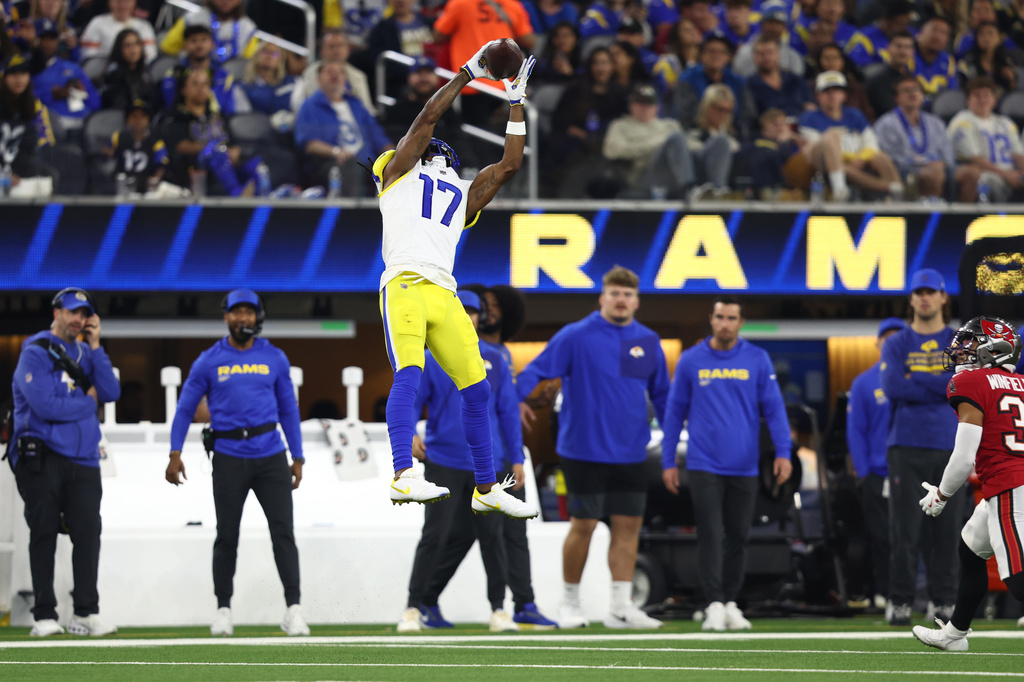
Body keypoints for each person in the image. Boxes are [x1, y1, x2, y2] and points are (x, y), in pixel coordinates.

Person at [373, 40, 538, 520]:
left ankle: (485, 486)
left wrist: (516, 102)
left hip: (445, 291)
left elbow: (510, 165)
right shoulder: (398, 173)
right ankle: (403, 474)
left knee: (478, 387)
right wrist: (467, 73)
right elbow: (427, 118)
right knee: (409, 373)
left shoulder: (460, 192)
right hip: (404, 282)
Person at [516, 265, 669, 630]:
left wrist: (676, 440)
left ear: (637, 301)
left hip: (632, 453)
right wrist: (517, 399)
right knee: (582, 525)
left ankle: (620, 608)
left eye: (628, 294)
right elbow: (535, 370)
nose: (621, 300)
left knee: (628, 526)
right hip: (582, 451)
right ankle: (570, 604)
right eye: (615, 293)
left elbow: (664, 396)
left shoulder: (648, 341)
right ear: (602, 298)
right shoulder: (575, 335)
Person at [166, 289, 310, 638]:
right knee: (227, 535)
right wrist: (174, 453)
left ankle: (293, 610)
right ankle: (223, 611)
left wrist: (297, 456)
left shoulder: (274, 357)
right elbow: (185, 409)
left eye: (249, 311)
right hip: (229, 456)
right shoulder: (208, 360)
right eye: (237, 311)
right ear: (226, 317)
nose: (243, 317)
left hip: (270, 455)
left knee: (283, 533)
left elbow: (289, 409)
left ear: (257, 317)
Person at [659, 296, 792, 632]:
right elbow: (673, 413)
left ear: (740, 322)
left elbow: (774, 409)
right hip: (703, 463)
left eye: (732, 318)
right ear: (711, 319)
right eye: (720, 317)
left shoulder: (757, 358)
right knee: (710, 533)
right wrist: (668, 459)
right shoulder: (691, 360)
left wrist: (783, 452)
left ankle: (730, 601)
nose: (725, 324)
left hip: (745, 465)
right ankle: (713, 603)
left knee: (738, 536)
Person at [397, 290, 527, 633]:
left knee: (493, 538)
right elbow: (411, 399)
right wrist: (409, 433)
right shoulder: (429, 358)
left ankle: (498, 611)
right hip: (443, 459)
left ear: (479, 318)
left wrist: (517, 458)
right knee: (434, 535)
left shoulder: (496, 359)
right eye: (463, 311)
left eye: (473, 312)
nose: (468, 317)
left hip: (489, 462)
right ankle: (412, 609)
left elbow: (508, 412)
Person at [10, 288, 120, 636]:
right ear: (56, 312)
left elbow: (111, 392)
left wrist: (97, 345)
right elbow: (45, 407)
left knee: (88, 533)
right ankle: (44, 616)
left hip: (84, 458)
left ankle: (86, 612)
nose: (78, 319)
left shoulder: (87, 353)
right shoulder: (35, 352)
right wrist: (88, 404)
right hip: (42, 455)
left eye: (84, 314)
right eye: (73, 312)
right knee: (43, 532)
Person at [913, 316, 1024, 651]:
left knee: (1017, 580)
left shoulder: (971, 382)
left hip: (1009, 485)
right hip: (1009, 484)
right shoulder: (1020, 382)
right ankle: (955, 634)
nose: (961, 350)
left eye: (970, 342)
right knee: (972, 549)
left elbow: (963, 457)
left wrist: (941, 495)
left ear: (995, 349)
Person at [879, 268, 962, 627]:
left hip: (950, 448)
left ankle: (944, 601)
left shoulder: (960, 341)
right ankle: (900, 601)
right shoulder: (896, 342)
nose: (924, 298)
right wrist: (942, 383)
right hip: (906, 447)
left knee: (947, 532)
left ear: (943, 297)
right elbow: (893, 387)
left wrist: (919, 378)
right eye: (918, 292)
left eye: (931, 292)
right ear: (911, 299)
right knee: (905, 531)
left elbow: (963, 385)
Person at [846, 317, 904, 611]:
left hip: (911, 471)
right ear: (877, 343)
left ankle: (916, 593)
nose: (891, 343)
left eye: (898, 338)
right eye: (887, 338)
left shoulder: (916, 378)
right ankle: (884, 590)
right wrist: (863, 470)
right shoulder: (864, 382)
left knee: (912, 536)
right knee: (881, 536)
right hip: (878, 472)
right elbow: (856, 430)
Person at [293, 59, 392, 194]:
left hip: (366, 162)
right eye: (329, 72)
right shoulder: (309, 106)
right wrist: (336, 152)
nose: (335, 75)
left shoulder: (356, 104)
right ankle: (351, 208)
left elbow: (376, 135)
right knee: (350, 166)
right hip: (331, 162)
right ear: (318, 79)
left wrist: (395, 155)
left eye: (339, 72)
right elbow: (309, 144)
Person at [799, 70, 902, 200]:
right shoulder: (809, 117)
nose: (832, 95)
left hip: (859, 160)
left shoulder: (855, 115)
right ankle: (841, 191)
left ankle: (898, 194)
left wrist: (860, 158)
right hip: (827, 165)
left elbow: (871, 141)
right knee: (831, 137)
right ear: (818, 95)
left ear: (844, 94)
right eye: (826, 91)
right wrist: (850, 158)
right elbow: (816, 147)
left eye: (837, 90)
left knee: (881, 157)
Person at [431, 0, 534, 127]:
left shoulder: (460, 3)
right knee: (501, 132)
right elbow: (529, 40)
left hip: (471, 80)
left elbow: (438, 35)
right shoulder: (512, 5)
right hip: (503, 81)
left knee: (474, 131)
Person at [159, 68, 260, 196]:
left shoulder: (216, 117)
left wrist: (234, 151)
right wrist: (213, 148)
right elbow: (180, 146)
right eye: (195, 84)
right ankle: (236, 196)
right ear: (183, 89)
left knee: (256, 164)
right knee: (214, 152)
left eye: (205, 84)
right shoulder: (176, 118)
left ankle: (262, 201)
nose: (201, 88)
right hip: (194, 171)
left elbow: (232, 143)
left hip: (226, 165)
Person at [872, 75, 963, 201]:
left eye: (916, 90)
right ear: (897, 98)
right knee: (933, 173)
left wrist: (942, 164)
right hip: (906, 170)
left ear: (922, 96)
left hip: (939, 167)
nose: (912, 94)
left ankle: (961, 212)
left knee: (971, 174)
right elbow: (891, 159)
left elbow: (948, 154)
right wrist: (923, 164)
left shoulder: (936, 123)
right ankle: (933, 211)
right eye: (906, 91)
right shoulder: (886, 124)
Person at [381, 56, 475, 170]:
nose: (424, 79)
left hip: (444, 170)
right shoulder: (397, 110)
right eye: (419, 73)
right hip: (409, 171)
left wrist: (467, 165)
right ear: (409, 78)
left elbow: (459, 141)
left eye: (428, 73)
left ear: (436, 78)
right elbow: (393, 144)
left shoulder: (446, 110)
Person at [602, 82, 691, 198]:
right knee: (676, 139)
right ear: (631, 105)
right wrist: (659, 145)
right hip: (643, 175)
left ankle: (708, 190)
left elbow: (688, 146)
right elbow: (612, 151)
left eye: (649, 104)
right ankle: (690, 188)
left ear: (656, 107)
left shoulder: (670, 125)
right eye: (640, 103)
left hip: (673, 173)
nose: (644, 108)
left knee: (713, 142)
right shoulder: (620, 126)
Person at [948, 76, 1024, 203]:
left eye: (986, 95)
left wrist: (1021, 172)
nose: (982, 100)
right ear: (968, 100)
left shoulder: (1005, 123)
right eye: (977, 96)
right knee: (988, 182)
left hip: (1010, 173)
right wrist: (1006, 175)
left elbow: (1017, 155)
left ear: (994, 100)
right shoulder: (962, 122)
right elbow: (975, 160)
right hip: (985, 173)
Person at [160, 24, 249, 116]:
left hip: (215, 121)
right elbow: (169, 106)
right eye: (193, 40)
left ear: (212, 44)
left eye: (203, 40)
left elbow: (228, 111)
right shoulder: (175, 74)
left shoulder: (224, 76)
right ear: (185, 46)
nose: (199, 45)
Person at [31, 18, 100, 134]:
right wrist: (52, 94)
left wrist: (83, 92)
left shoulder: (73, 67)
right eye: (43, 39)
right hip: (50, 124)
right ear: (35, 41)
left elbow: (95, 102)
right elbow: (24, 101)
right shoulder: (29, 69)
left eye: (52, 38)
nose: (47, 43)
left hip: (83, 122)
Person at [290, 29, 375, 117]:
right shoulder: (310, 73)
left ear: (348, 50)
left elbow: (367, 109)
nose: (336, 50)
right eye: (331, 46)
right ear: (321, 50)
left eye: (340, 46)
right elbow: (300, 106)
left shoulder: (359, 76)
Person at [108, 99, 167, 194]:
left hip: (146, 189)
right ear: (127, 119)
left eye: (142, 116)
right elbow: (108, 159)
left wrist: (155, 179)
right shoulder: (117, 137)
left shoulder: (156, 142)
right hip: (121, 187)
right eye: (134, 116)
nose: (138, 120)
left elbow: (161, 164)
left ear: (148, 119)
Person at [79, 0, 156, 63]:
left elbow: (150, 57)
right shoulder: (97, 23)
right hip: (105, 73)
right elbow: (88, 57)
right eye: (118, 1)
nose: (122, 5)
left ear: (134, 2)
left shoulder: (144, 26)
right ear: (109, 2)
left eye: (127, 1)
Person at [241, 41, 297, 127]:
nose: (269, 56)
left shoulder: (291, 83)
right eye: (265, 51)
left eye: (274, 53)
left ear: (280, 59)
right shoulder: (244, 87)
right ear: (257, 55)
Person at [99, 28, 158, 110]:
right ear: (119, 49)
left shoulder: (145, 72)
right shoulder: (113, 76)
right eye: (127, 45)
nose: (133, 50)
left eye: (136, 44)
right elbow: (117, 106)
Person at [845, 0, 914, 67]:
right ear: (884, 20)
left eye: (906, 24)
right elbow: (857, 68)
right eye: (899, 24)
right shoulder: (863, 39)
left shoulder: (909, 36)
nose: (903, 28)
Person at [865, 30, 915, 117]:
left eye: (907, 47)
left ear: (912, 52)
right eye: (898, 46)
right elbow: (889, 110)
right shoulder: (878, 81)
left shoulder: (913, 79)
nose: (903, 51)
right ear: (888, 48)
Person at [958, 21, 1017, 93]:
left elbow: (1013, 89)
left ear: (999, 38)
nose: (986, 37)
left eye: (990, 33)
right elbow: (962, 87)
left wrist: (1011, 79)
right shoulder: (967, 61)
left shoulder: (1007, 61)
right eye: (982, 33)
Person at [913, 16, 958, 103]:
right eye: (934, 30)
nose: (937, 36)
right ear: (921, 31)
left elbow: (952, 94)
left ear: (947, 40)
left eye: (943, 33)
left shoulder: (948, 60)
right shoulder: (907, 54)